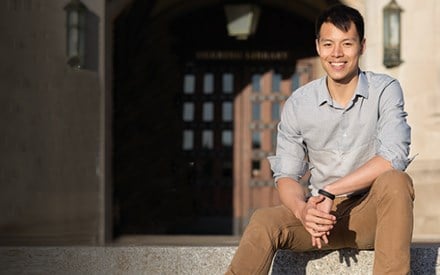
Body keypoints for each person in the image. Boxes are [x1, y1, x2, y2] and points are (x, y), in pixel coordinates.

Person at [226, 4, 415, 275]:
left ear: (361, 46)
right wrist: (303, 212)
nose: (336, 54)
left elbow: (393, 158)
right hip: (321, 219)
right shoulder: (299, 103)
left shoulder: (385, 89)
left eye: (346, 44)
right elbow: (287, 175)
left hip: (372, 212)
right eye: (328, 44)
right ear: (318, 46)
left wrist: (331, 190)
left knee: (396, 181)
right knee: (264, 219)